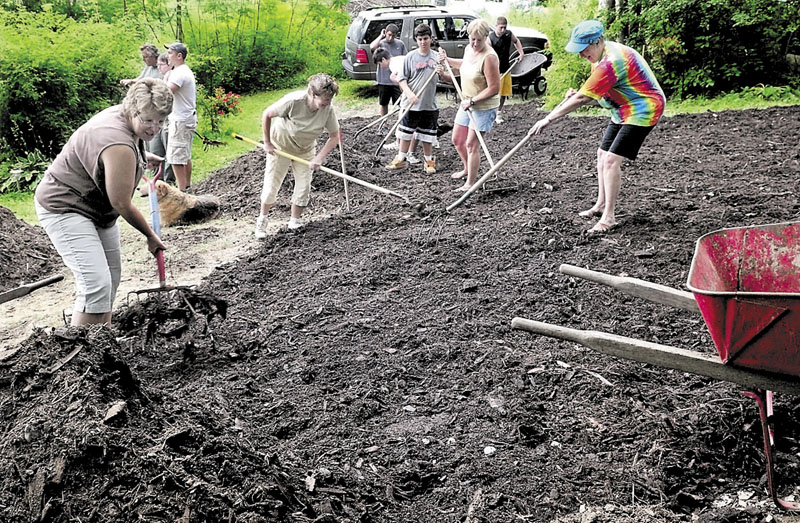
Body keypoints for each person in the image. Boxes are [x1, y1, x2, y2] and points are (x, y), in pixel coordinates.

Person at [34, 78, 170, 326]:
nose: (154, 128)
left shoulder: (126, 120)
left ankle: (103, 341)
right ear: (132, 109)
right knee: (95, 283)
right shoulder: (116, 142)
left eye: (161, 120)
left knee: (111, 278)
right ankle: (82, 352)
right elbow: (121, 202)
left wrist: (140, 156)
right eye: (149, 120)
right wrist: (150, 235)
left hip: (96, 208)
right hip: (65, 206)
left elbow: (117, 153)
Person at [530, 20, 665, 234]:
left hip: (643, 109)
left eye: (583, 50)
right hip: (622, 108)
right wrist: (577, 97)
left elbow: (584, 98)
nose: (581, 55)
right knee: (602, 153)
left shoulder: (613, 60)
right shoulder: (600, 57)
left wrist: (548, 119)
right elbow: (595, 95)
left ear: (596, 42)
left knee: (611, 160)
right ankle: (600, 205)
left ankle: (609, 217)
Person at [254, 73, 340, 238]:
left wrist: (319, 157)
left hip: (305, 150)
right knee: (272, 184)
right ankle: (262, 220)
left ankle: (294, 221)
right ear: (313, 94)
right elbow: (267, 114)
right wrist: (267, 142)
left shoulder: (328, 110)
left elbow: (334, 136)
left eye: (330, 99)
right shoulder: (293, 101)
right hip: (281, 147)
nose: (328, 103)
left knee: (304, 186)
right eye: (325, 99)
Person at [440, 19, 500, 191]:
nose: (474, 43)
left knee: (471, 144)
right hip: (466, 102)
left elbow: (495, 88)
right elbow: (465, 65)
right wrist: (448, 60)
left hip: (483, 106)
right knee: (458, 140)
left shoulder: (489, 57)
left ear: (485, 38)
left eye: (478, 40)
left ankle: (470, 183)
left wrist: (473, 101)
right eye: (472, 39)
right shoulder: (468, 49)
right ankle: (467, 168)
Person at [385, 23, 442, 174]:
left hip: (429, 104)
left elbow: (449, 79)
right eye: (420, 39)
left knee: (427, 135)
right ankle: (401, 159)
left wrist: (442, 71)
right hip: (411, 103)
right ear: (416, 40)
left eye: (426, 38)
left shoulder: (437, 57)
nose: (423, 42)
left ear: (430, 39)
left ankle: (429, 161)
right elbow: (401, 79)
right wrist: (409, 94)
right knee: (405, 133)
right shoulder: (410, 57)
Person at [164, 42, 197, 191]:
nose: (167, 56)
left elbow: (168, 91)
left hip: (180, 120)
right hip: (185, 118)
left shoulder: (180, 72)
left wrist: (164, 79)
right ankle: (187, 186)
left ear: (179, 56)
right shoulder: (180, 71)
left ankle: (182, 191)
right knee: (184, 155)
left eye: (170, 53)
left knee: (176, 157)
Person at [147, 53, 175, 185]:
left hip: (170, 119)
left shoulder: (173, 78)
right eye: (157, 64)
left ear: (169, 65)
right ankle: (157, 181)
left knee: (169, 149)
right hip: (157, 120)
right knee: (155, 149)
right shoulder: (162, 78)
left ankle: (169, 181)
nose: (158, 67)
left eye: (161, 64)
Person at [489, 17, 524, 123]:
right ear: (496, 26)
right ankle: (491, 114)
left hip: (506, 68)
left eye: (505, 27)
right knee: (494, 93)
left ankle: (498, 114)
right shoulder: (490, 38)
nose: (503, 30)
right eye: (501, 28)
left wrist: (521, 53)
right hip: (494, 70)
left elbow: (516, 41)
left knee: (503, 93)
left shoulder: (509, 34)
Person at [370, 23, 407, 119]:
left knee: (400, 103)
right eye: (389, 35)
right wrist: (381, 35)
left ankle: (401, 121)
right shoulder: (381, 43)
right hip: (384, 80)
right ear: (385, 32)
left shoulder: (400, 44)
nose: (390, 38)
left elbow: (405, 60)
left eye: (393, 36)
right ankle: (383, 121)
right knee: (383, 103)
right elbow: (372, 47)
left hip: (396, 81)